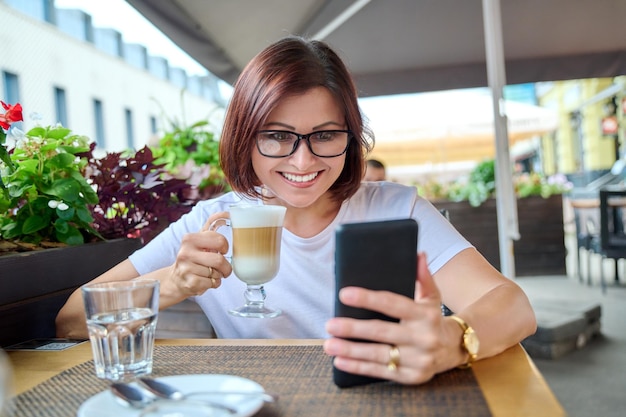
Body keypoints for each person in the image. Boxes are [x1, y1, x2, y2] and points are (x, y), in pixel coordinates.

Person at [56, 36, 536, 385]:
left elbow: (514, 307)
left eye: (325, 135)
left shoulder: (395, 208)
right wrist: (175, 283)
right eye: (277, 136)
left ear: (350, 137)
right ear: (246, 139)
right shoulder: (212, 222)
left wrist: (454, 341)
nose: (303, 161)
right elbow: (72, 318)